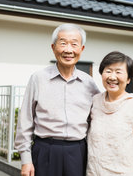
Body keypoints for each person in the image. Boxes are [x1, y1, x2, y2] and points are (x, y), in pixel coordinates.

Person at [15, 23, 100, 176]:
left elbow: (98, 119)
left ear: (81, 49)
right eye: (63, 43)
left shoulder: (89, 83)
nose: (68, 50)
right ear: (53, 47)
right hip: (45, 150)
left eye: (74, 44)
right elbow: (25, 120)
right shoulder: (38, 79)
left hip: (78, 152)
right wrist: (26, 159)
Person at [86, 51, 133, 176]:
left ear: (128, 79)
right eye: (108, 71)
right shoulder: (95, 101)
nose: (112, 77)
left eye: (118, 72)